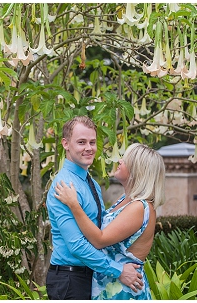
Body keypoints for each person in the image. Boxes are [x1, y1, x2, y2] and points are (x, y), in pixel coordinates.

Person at [45, 116, 143, 300]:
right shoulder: (64, 186)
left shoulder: (92, 184)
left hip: (89, 275)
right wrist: (118, 270)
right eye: (81, 142)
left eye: (92, 142)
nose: (88, 148)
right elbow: (76, 245)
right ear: (65, 144)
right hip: (69, 280)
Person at [54, 143, 165, 299]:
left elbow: (100, 240)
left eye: (125, 160)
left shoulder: (140, 207)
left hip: (122, 289)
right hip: (111, 283)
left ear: (137, 170)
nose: (119, 161)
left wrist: (74, 205)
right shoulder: (125, 200)